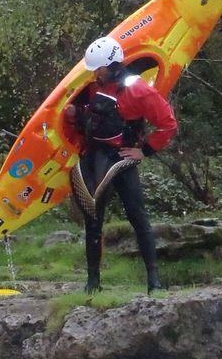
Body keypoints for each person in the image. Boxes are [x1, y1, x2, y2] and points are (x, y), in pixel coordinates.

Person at [66, 37, 178, 294]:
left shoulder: (138, 89)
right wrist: (74, 115)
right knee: (93, 219)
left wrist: (144, 151)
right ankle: (93, 283)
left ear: (113, 65)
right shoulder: (93, 87)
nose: (96, 74)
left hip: (123, 158)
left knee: (138, 217)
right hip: (95, 156)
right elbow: (90, 118)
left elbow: (168, 124)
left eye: (99, 69)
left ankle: (154, 282)